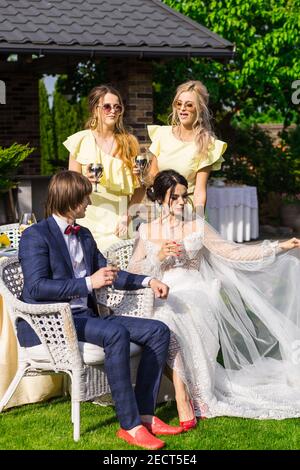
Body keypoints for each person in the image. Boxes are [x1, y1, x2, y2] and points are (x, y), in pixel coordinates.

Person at [17, 170, 184, 450]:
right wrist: (86, 283)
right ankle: (129, 426)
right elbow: (36, 288)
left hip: (84, 318)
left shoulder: (83, 234)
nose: (89, 204)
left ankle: (145, 414)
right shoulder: (36, 236)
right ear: (69, 199)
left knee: (158, 331)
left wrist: (147, 280)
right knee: (116, 332)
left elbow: (108, 273)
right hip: (52, 324)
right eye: (84, 199)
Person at [128, 169, 300, 422]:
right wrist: (157, 257)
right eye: (174, 197)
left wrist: (276, 246)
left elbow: (232, 252)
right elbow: (132, 271)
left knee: (168, 317)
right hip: (161, 290)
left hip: (195, 291)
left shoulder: (196, 226)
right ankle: (183, 392)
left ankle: (183, 396)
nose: (180, 202)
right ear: (159, 198)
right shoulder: (146, 231)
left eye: (183, 196)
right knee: (162, 316)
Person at [64, 85, 144, 250]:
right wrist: (84, 180)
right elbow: (70, 189)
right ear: (95, 110)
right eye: (107, 106)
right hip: (88, 219)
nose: (113, 111)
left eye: (117, 107)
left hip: (120, 223)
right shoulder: (80, 141)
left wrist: (127, 217)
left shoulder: (130, 143)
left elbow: (140, 188)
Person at [145, 80, 227, 213]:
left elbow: (200, 192)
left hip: (186, 211)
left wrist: (197, 222)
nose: (182, 109)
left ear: (199, 108)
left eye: (189, 105)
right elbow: (153, 175)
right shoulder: (162, 134)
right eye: (179, 104)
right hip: (161, 210)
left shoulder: (207, 144)